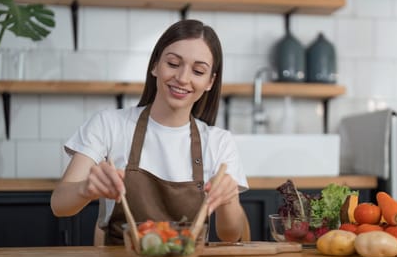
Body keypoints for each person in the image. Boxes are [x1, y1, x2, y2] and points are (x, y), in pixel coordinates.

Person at [50, 19, 249, 244]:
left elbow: (231, 235)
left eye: (198, 70)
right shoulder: (109, 124)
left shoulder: (218, 142)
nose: (183, 78)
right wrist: (87, 188)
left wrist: (228, 199)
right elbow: (59, 205)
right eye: (173, 64)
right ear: (155, 65)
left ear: (210, 82)